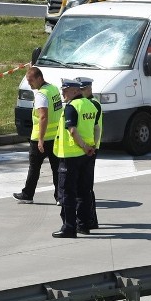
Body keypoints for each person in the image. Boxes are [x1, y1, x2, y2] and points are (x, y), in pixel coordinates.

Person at [52, 78, 98, 238]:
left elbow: (72, 131)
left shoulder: (72, 107)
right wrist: (91, 147)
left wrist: (84, 146)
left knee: (67, 193)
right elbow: (96, 127)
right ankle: (84, 226)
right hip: (87, 156)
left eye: (65, 90)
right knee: (84, 192)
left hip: (71, 156)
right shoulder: (90, 105)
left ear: (75, 91)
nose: (62, 93)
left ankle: (69, 227)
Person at [13, 67, 63, 204]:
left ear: (39, 78)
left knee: (34, 168)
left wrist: (40, 139)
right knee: (56, 168)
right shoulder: (53, 89)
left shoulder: (41, 95)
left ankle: (28, 194)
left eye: (31, 81)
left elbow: (43, 117)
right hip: (55, 136)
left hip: (41, 138)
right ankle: (60, 197)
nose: (29, 84)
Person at [77, 77, 102, 230]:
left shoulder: (92, 104)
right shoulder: (91, 103)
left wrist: (90, 146)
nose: (79, 92)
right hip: (89, 147)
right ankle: (91, 219)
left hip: (90, 148)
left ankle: (90, 220)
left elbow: (95, 128)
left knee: (86, 188)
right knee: (87, 187)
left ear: (88, 88)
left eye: (82, 89)